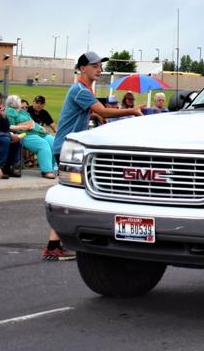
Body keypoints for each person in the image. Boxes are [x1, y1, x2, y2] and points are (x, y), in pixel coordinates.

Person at [48, 52, 142, 260]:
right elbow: (103, 110)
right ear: (82, 68)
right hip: (66, 149)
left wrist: (96, 116)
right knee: (70, 195)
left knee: (70, 193)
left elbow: (90, 112)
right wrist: (131, 111)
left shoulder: (83, 90)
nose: (99, 69)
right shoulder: (80, 89)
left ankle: (54, 245)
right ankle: (57, 245)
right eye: (94, 66)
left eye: (100, 66)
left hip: (66, 149)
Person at [5, 95, 56, 179]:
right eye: (19, 102)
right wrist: (23, 126)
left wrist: (40, 127)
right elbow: (10, 126)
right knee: (43, 144)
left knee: (53, 142)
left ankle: (53, 167)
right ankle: (46, 170)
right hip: (25, 134)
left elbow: (32, 122)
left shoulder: (23, 112)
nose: (21, 104)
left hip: (38, 132)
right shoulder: (10, 111)